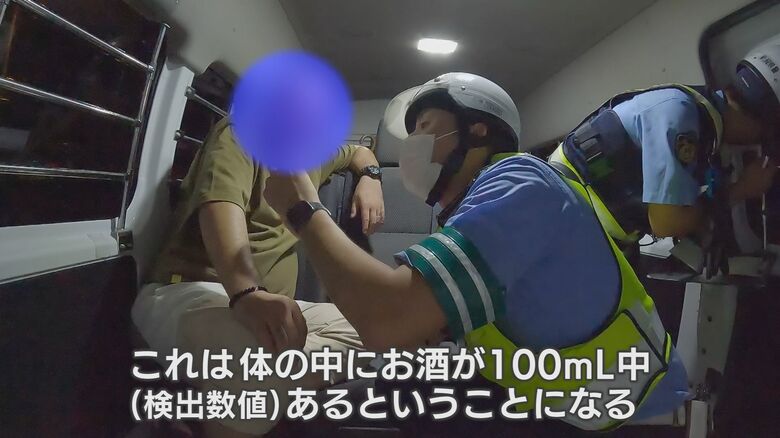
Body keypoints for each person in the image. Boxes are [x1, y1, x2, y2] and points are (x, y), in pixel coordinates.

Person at [264, 72, 689, 431]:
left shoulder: (521, 181)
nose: (412, 144)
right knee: (400, 385)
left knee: (340, 407)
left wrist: (303, 209)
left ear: (477, 130)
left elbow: (388, 321)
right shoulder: (478, 205)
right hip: (563, 398)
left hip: (618, 416)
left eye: (424, 126)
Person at [131, 117, 385, 437]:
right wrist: (247, 293)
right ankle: (253, 382)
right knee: (251, 364)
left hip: (276, 307)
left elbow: (359, 153)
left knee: (375, 327)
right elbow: (220, 206)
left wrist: (371, 178)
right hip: (194, 291)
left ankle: (238, 390)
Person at [548, 37, 779, 243]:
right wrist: (742, 189)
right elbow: (667, 223)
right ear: (763, 117)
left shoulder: (701, 124)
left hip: (583, 224)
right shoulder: (679, 114)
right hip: (563, 213)